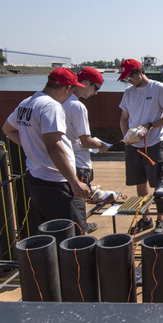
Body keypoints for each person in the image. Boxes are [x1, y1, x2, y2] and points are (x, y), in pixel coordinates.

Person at [2, 67, 92, 235]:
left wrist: (32, 146)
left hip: (36, 179)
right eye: (72, 89)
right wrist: (74, 182)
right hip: (56, 182)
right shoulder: (52, 107)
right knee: (76, 235)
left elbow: (7, 129)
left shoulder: (27, 103)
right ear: (66, 88)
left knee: (50, 232)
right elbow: (54, 146)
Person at [118, 58, 163, 233]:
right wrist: (126, 137)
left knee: (158, 183)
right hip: (133, 146)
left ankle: (160, 220)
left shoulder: (158, 88)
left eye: (130, 77)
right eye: (126, 78)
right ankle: (146, 218)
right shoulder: (128, 92)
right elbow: (124, 118)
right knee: (140, 182)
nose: (129, 81)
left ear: (139, 71)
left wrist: (149, 126)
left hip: (153, 143)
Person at [64, 66, 110, 232]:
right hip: (79, 162)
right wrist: (102, 146)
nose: (96, 93)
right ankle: (81, 231)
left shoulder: (58, 102)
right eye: (96, 88)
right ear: (85, 83)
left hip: (63, 162)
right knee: (78, 204)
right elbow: (86, 140)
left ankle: (78, 226)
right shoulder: (77, 106)